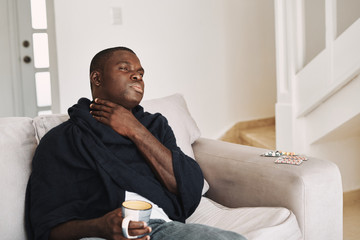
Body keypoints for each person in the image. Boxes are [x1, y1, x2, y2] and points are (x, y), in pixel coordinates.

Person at [25, 46, 247, 240]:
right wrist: (99, 227)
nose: (137, 76)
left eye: (140, 73)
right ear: (97, 78)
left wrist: (135, 129)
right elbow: (47, 227)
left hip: (158, 230)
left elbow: (185, 184)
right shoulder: (62, 140)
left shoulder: (154, 126)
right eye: (124, 68)